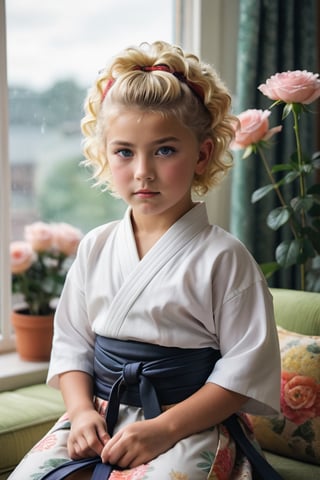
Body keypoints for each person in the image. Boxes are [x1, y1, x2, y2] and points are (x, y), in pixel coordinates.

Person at [9, 40, 281, 480]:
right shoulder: (96, 247)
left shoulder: (225, 259)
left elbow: (244, 371)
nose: (142, 172)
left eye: (165, 150)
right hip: (98, 417)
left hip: (187, 422)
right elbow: (73, 347)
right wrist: (79, 413)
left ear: (203, 154)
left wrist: (163, 429)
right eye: (124, 152)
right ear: (104, 154)